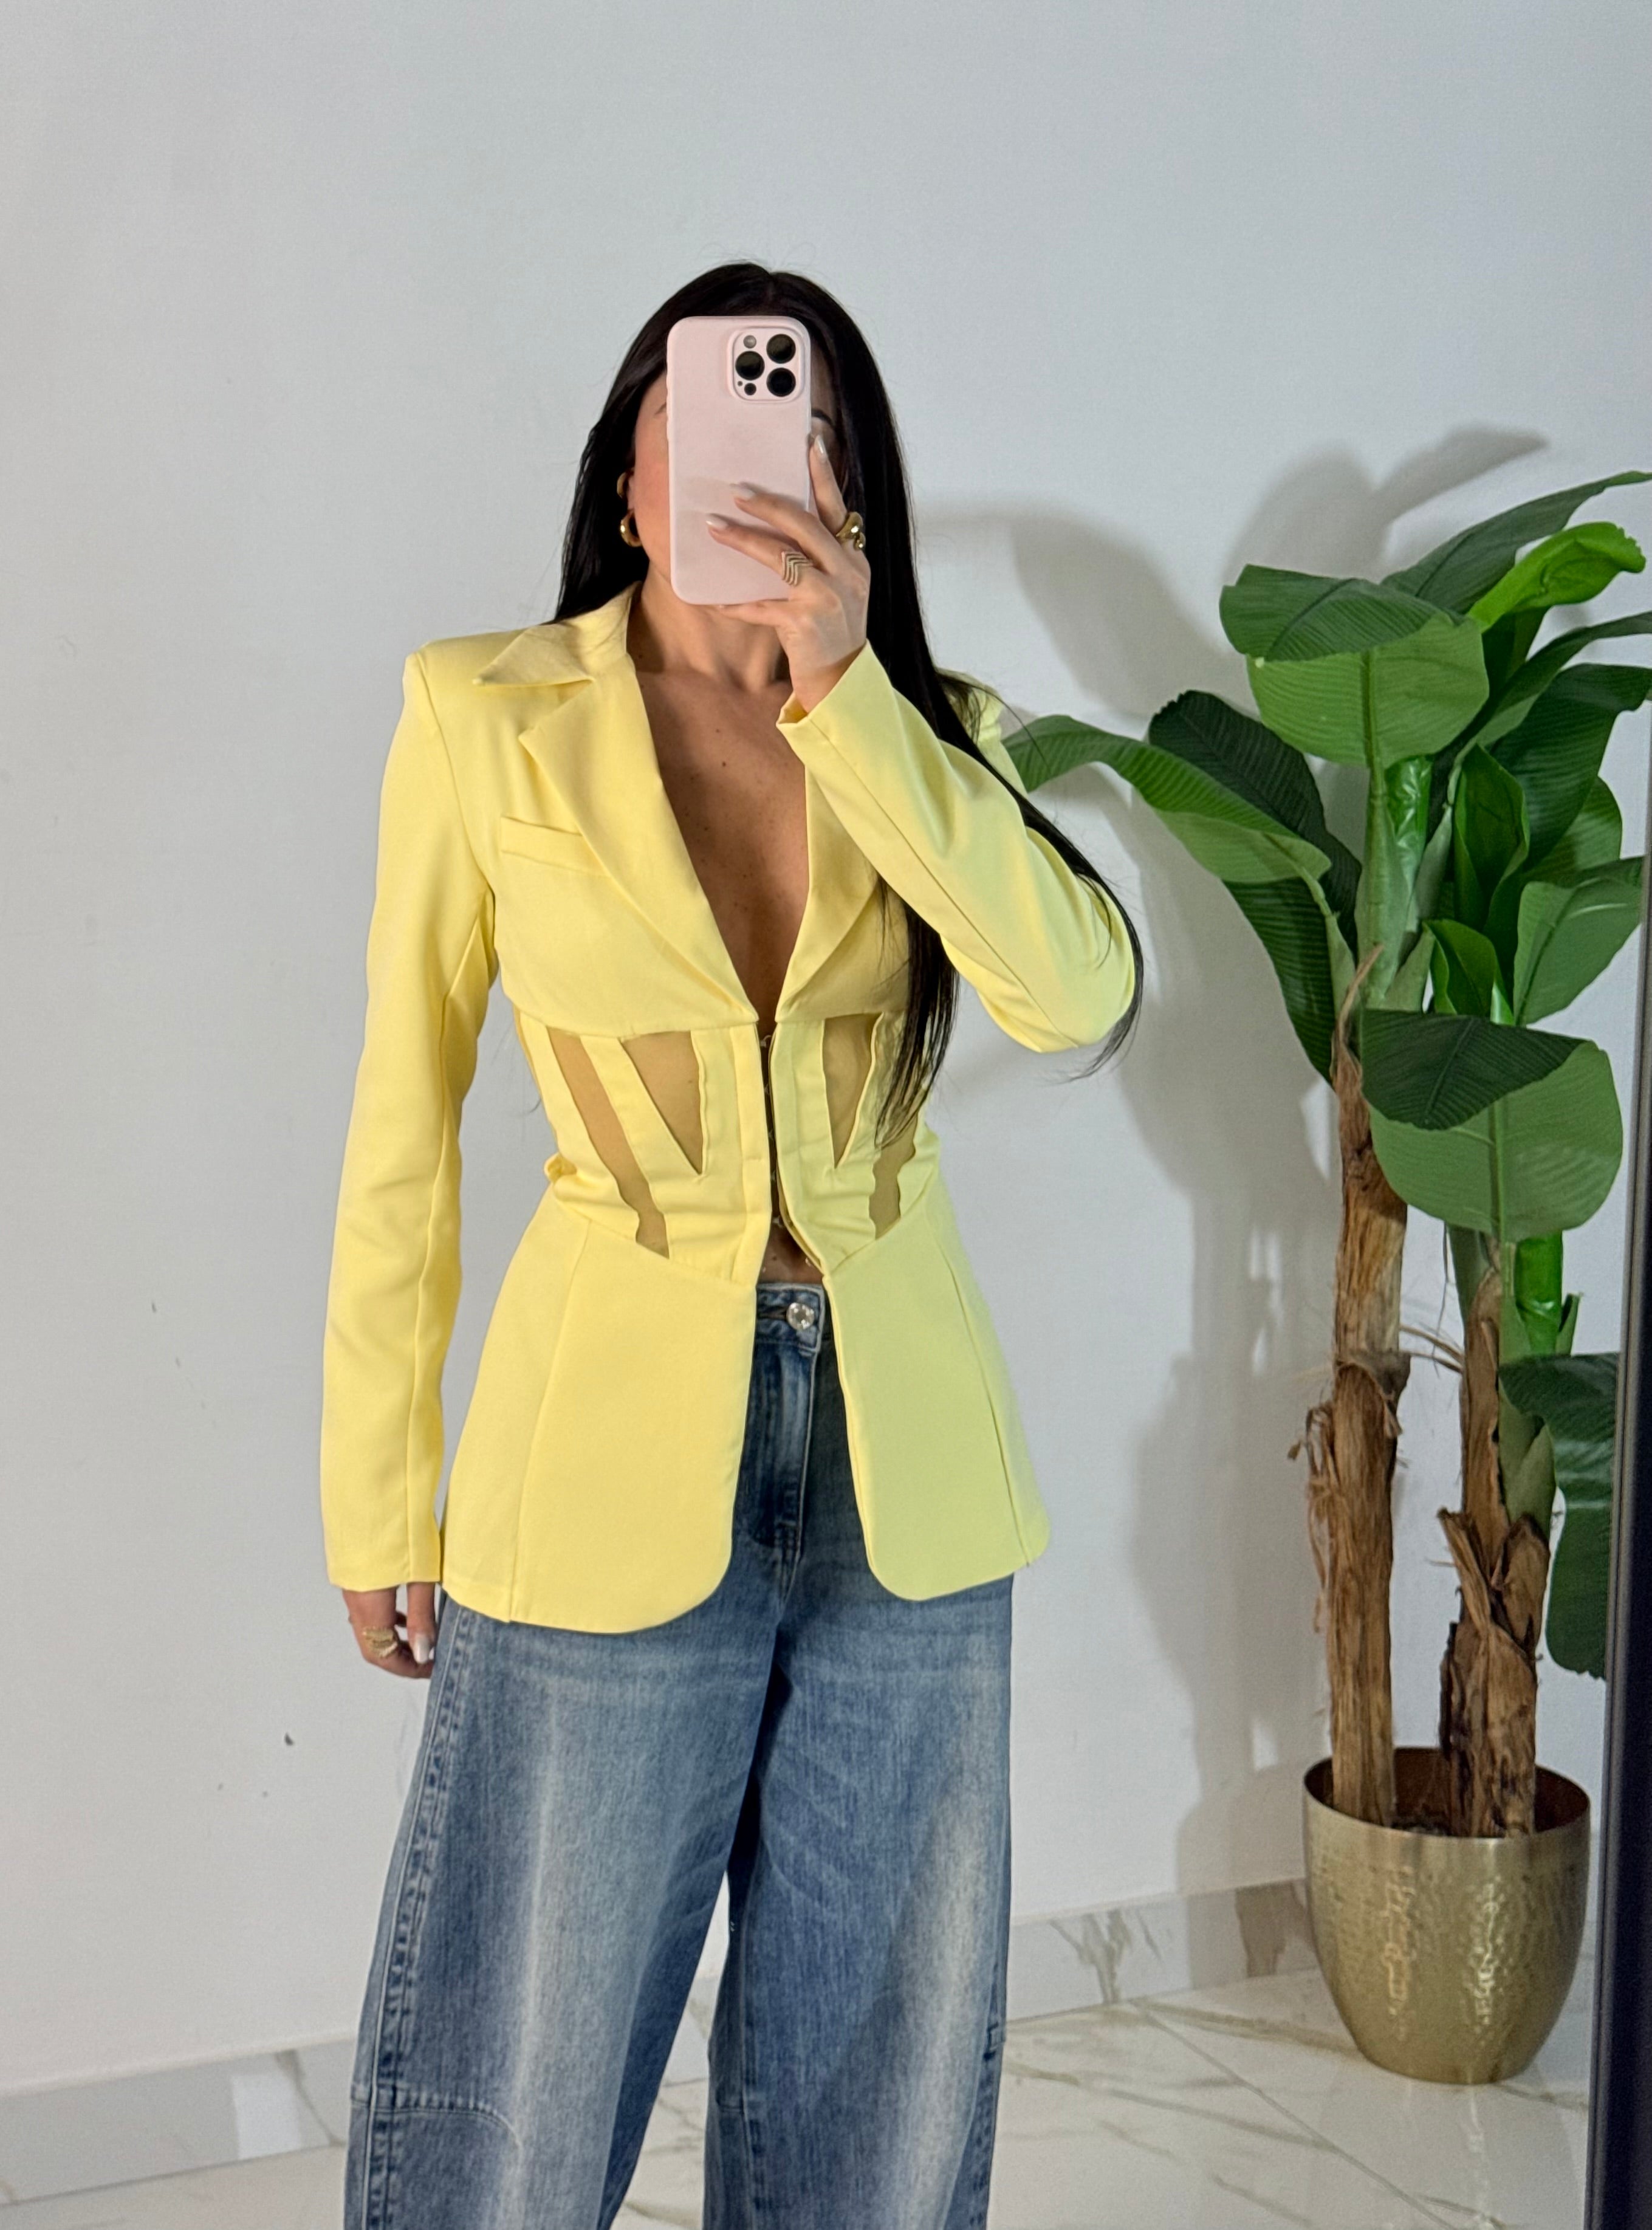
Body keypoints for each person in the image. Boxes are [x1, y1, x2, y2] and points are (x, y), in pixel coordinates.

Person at [320, 261, 1141, 2230]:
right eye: (699, 422)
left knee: (880, 2099)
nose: (760, 462)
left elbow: (1078, 997)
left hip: (908, 1479)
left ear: (851, 491)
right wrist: (378, 1492)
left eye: (807, 431)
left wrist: (850, 698)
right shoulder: (481, 716)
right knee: (514, 2091)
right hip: (597, 1456)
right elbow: (402, 1125)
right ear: (626, 482)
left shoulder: (934, 733)